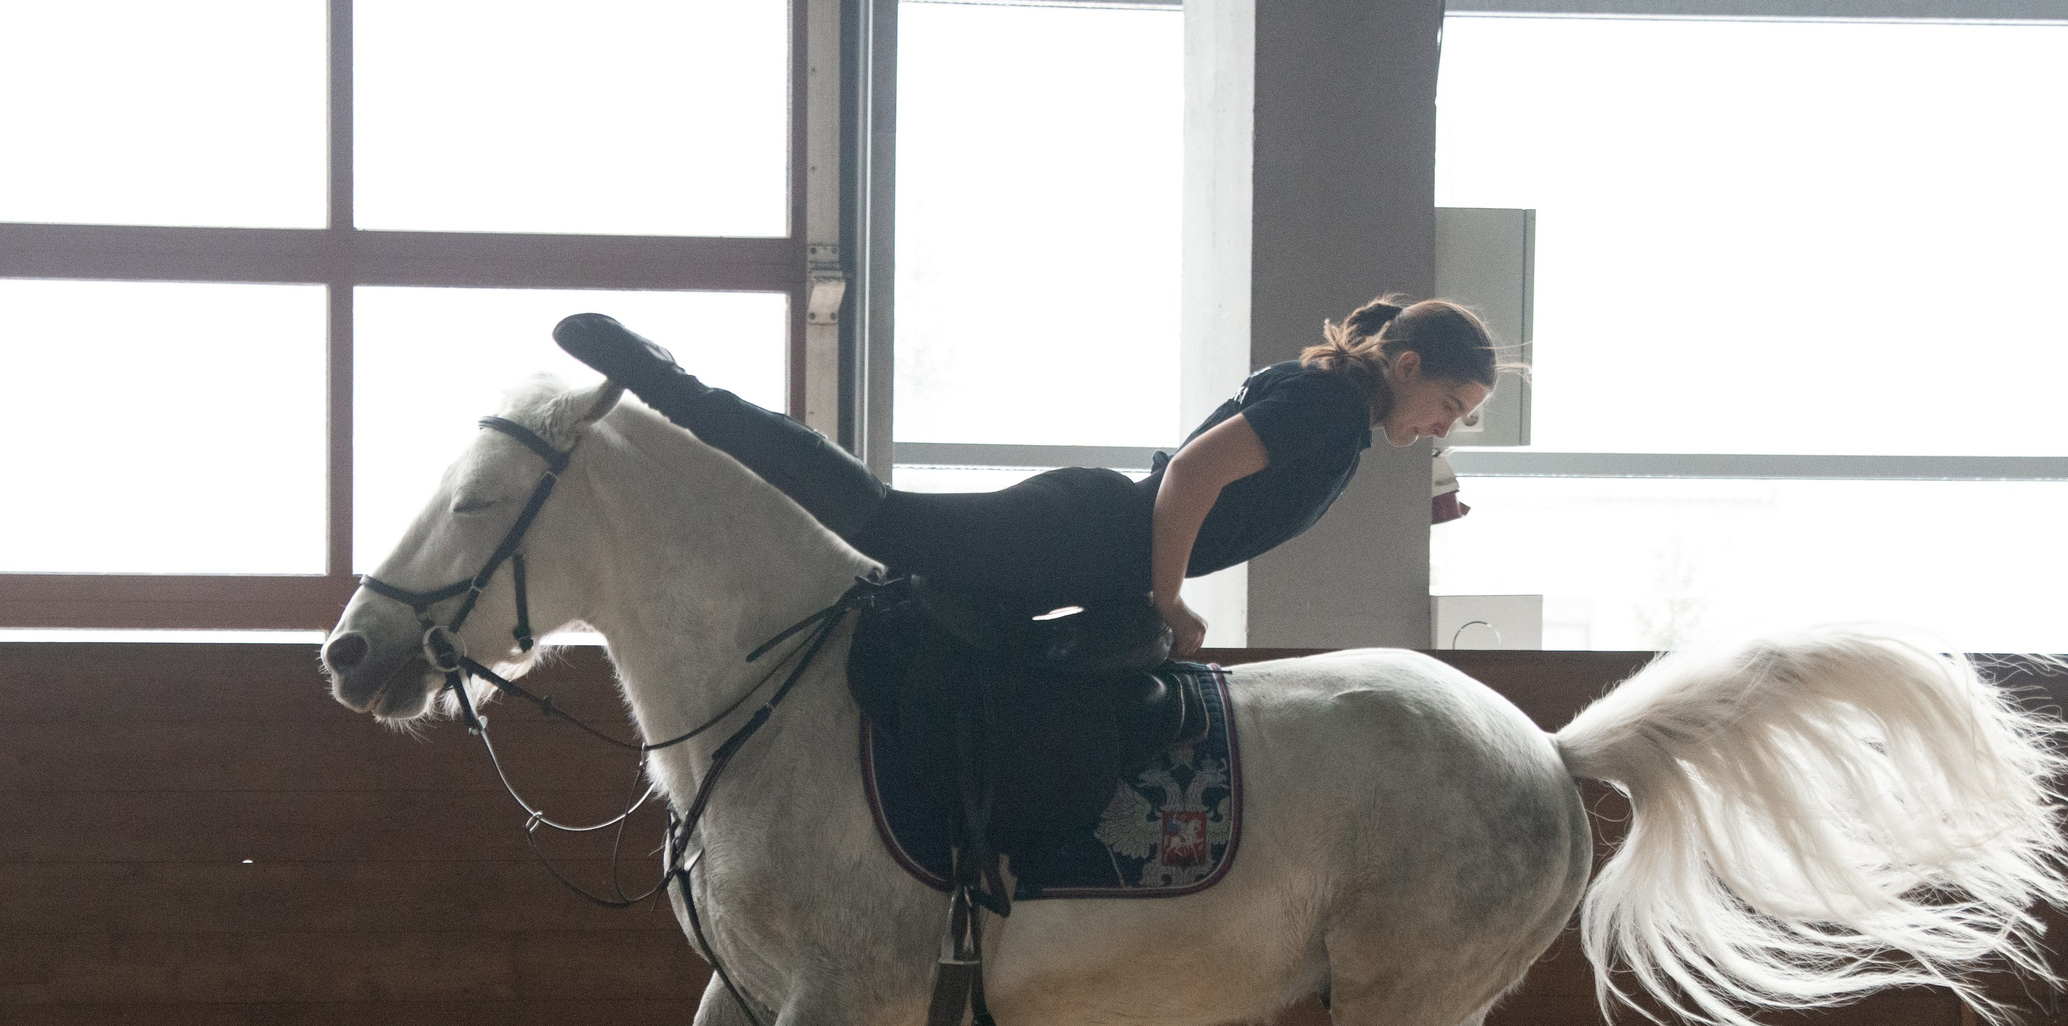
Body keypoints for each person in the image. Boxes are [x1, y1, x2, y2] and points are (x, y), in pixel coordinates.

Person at [553, 296, 1502, 658]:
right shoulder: (1331, 409)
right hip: (1089, 534)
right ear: (1409, 366)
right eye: (1449, 409)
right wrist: (1169, 602)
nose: (1438, 431)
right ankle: (664, 383)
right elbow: (1191, 479)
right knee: (879, 520)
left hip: (1094, 551)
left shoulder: (1342, 412)